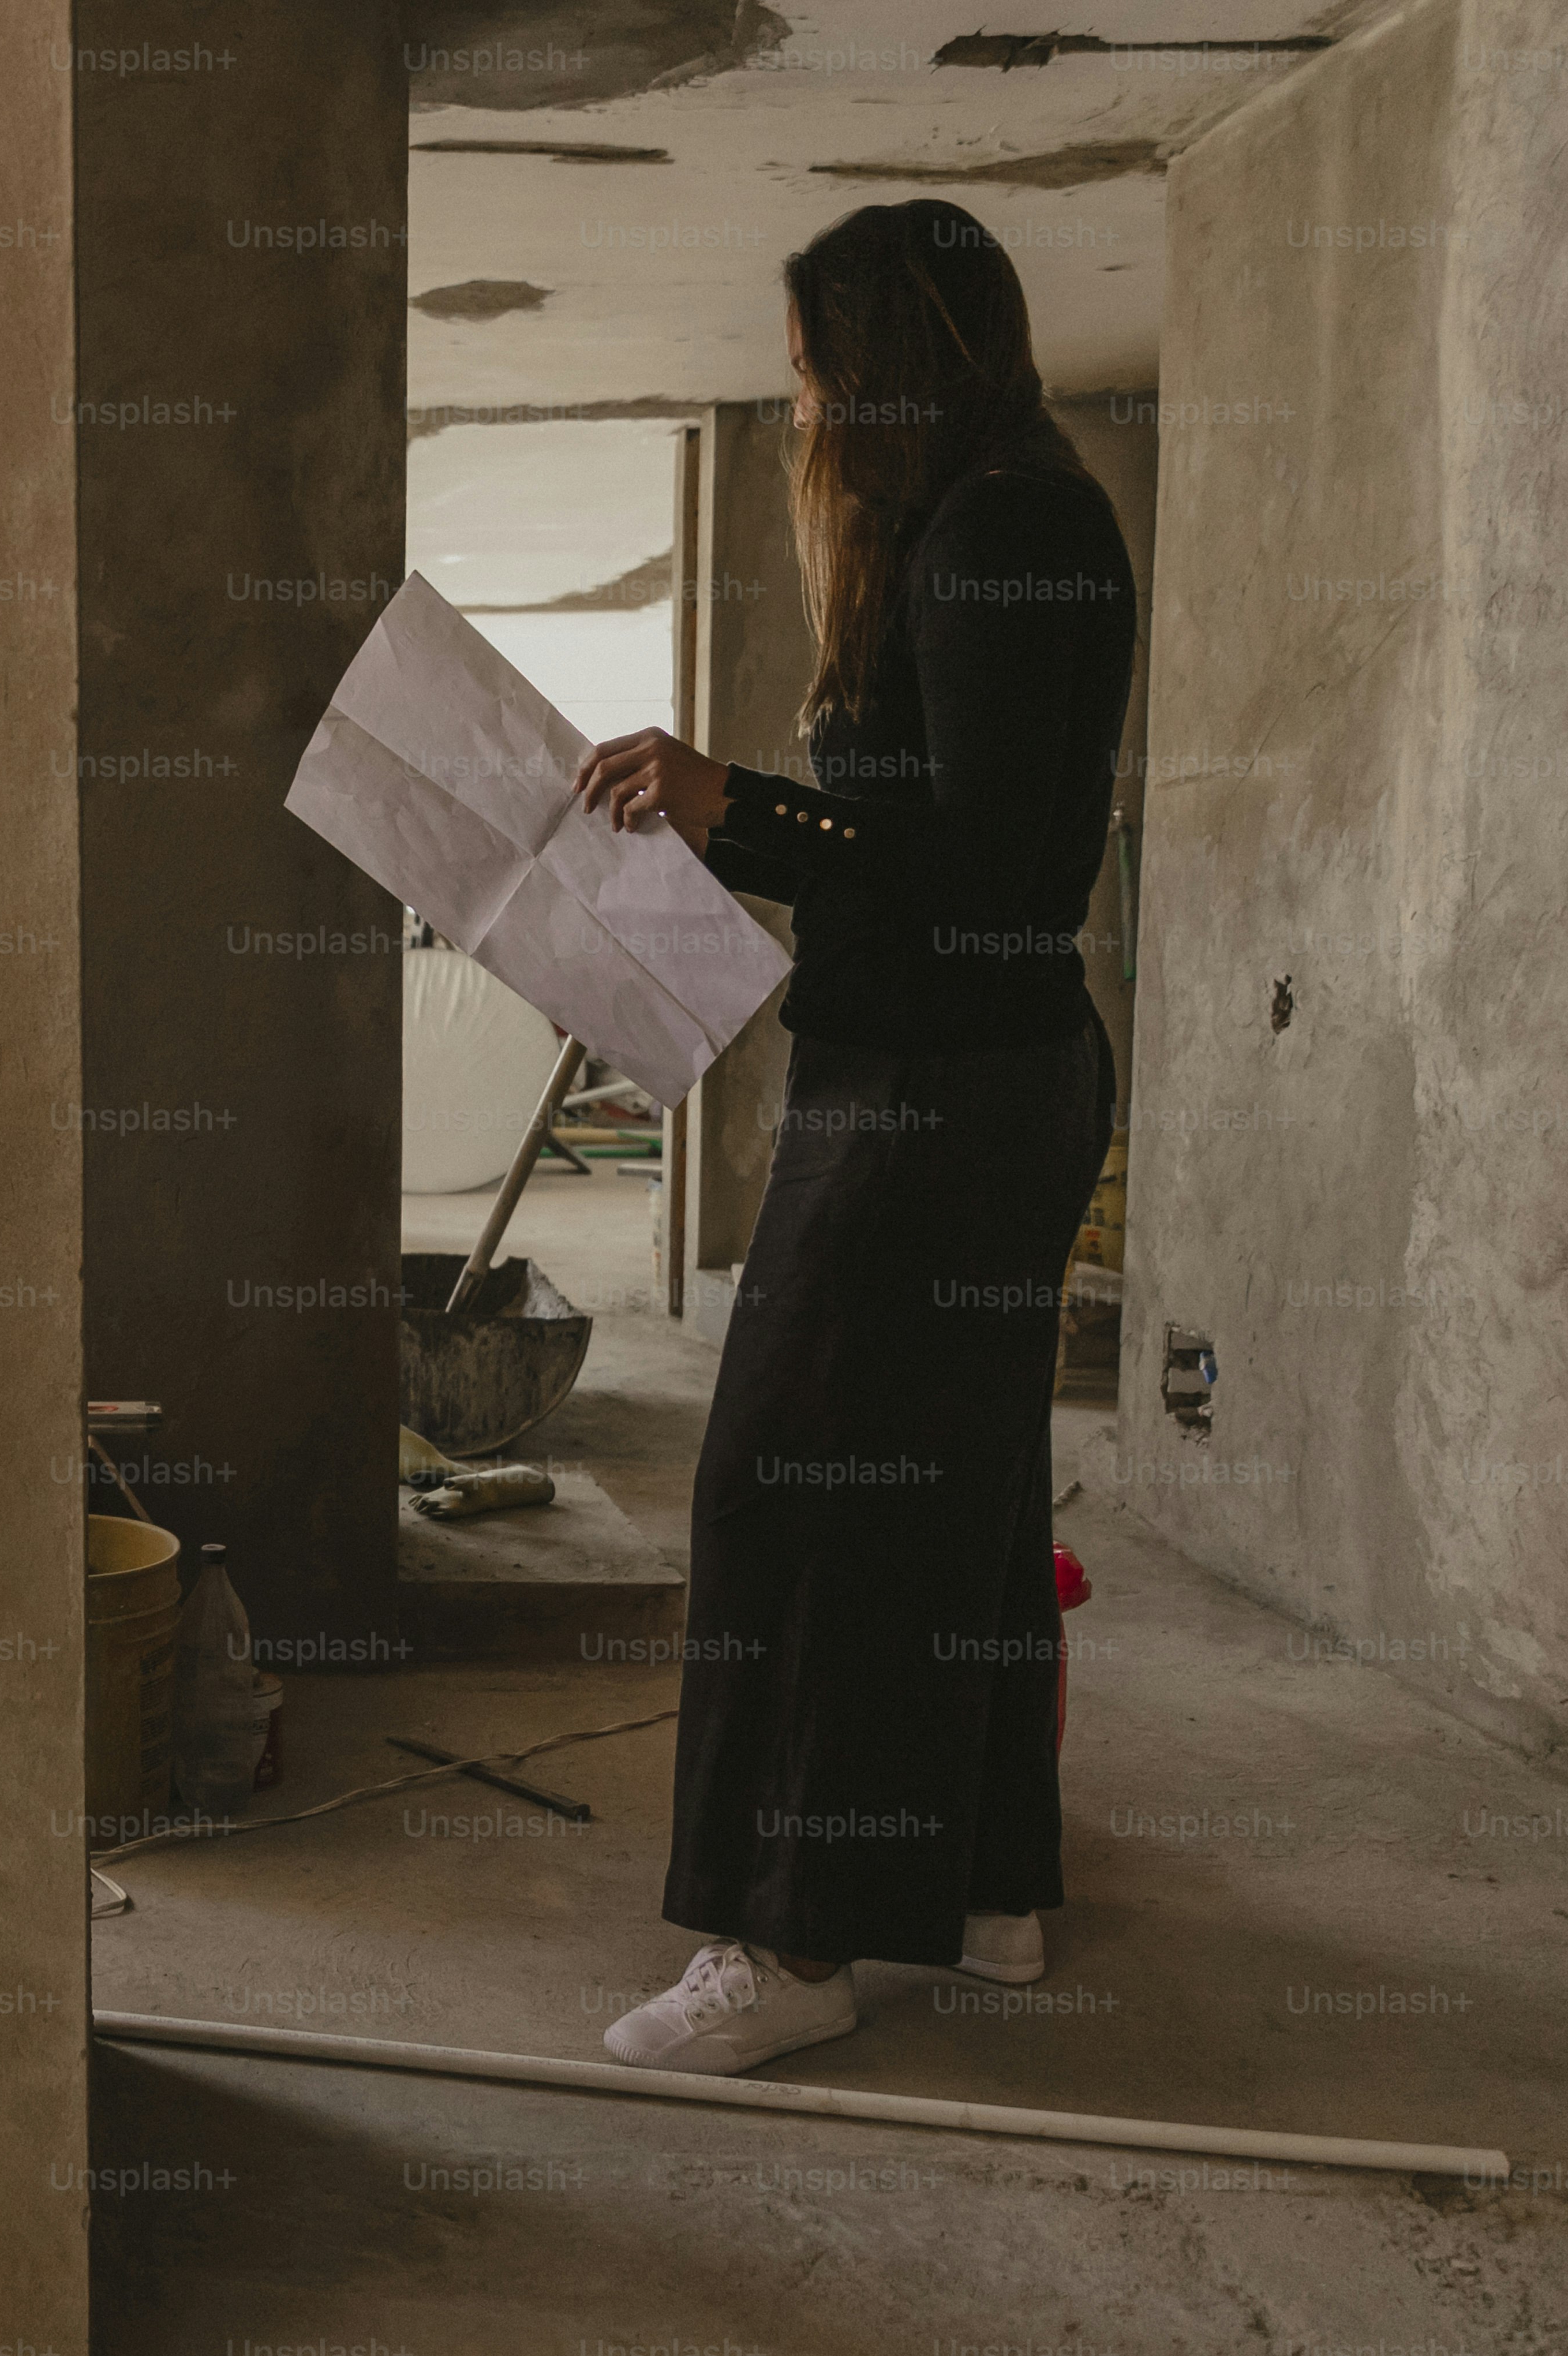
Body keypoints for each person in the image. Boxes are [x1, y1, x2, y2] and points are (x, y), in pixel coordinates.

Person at [569, 199, 1134, 2075]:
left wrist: (747, 803)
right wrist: (732, 819)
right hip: (977, 1065)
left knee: (788, 1494)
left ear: (893, 363)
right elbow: (953, 845)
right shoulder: (1002, 515)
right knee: (955, 1490)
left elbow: (971, 865)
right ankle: (982, 1890)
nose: (798, 399)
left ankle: (788, 1941)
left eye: (814, 365)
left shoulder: (1000, 532)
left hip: (937, 1090)